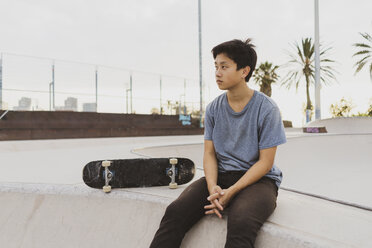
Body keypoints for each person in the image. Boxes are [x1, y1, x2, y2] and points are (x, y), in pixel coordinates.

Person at [149, 38, 287, 248]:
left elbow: (265, 162)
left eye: (224, 67)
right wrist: (213, 187)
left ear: (244, 71)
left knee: (241, 221)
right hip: (220, 176)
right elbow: (210, 153)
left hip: (259, 181)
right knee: (175, 212)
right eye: (216, 67)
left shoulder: (267, 109)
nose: (217, 73)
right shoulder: (214, 108)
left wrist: (231, 192)